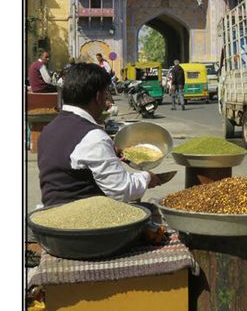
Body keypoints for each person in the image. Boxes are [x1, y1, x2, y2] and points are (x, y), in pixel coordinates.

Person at [37, 63, 169, 206]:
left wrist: (109, 152)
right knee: (150, 211)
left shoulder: (49, 128)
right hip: (79, 221)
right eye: (106, 94)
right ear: (98, 96)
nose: (107, 103)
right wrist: (147, 177)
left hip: (49, 212)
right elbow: (122, 190)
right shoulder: (93, 137)